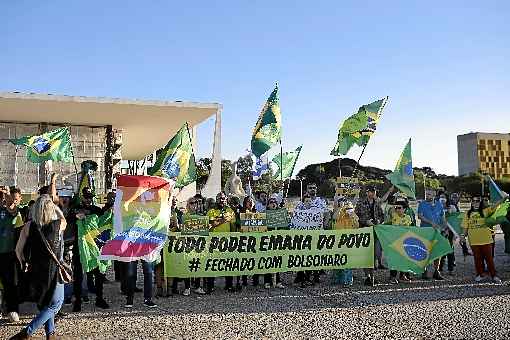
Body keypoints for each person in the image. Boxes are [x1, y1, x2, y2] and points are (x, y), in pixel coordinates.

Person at [10, 195, 67, 340]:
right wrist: (55, 207)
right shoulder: (59, 224)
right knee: (56, 304)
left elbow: (18, 250)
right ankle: (26, 333)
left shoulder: (28, 226)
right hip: (54, 271)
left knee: (45, 303)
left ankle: (50, 333)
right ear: (51, 208)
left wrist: (24, 263)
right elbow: (64, 218)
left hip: (36, 271)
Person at [73, 187, 109, 311]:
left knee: (99, 275)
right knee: (78, 275)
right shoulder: (75, 209)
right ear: (81, 197)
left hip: (95, 247)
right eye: (86, 197)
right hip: (80, 247)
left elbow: (104, 222)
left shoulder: (96, 210)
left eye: (90, 197)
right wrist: (77, 216)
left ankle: (99, 298)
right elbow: (70, 220)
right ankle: (77, 301)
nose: (88, 199)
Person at [461, 195, 507, 284]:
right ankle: (480, 274)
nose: (475, 203)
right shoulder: (467, 214)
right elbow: (465, 227)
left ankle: (494, 275)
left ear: (480, 202)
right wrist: (462, 236)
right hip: (474, 241)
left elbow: (495, 206)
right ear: (471, 203)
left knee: (489, 259)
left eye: (477, 201)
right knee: (477, 259)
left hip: (486, 240)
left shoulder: (485, 211)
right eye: (473, 201)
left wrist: (503, 199)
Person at [0, 187, 24, 323]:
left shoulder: (11, 211)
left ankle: (12, 310)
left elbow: (12, 209)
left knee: (10, 284)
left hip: (8, 253)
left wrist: (8, 195)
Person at [206, 192, 236, 293]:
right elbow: (210, 224)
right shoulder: (211, 211)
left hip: (227, 241)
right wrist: (223, 219)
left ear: (226, 199)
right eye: (219, 198)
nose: (221, 200)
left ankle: (229, 285)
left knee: (228, 263)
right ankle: (210, 286)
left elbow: (233, 226)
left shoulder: (230, 211)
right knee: (212, 263)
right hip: (214, 242)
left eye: (223, 198)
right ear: (216, 199)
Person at [355, 185, 385, 286]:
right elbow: (356, 217)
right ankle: (368, 276)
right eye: (370, 191)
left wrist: (379, 221)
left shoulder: (377, 204)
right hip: (364, 231)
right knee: (366, 255)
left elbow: (382, 216)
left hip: (375, 231)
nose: (371, 193)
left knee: (375, 254)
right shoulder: (360, 203)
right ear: (366, 192)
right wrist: (366, 221)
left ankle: (372, 275)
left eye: (373, 191)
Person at [417, 188, 445, 280]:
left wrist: (444, 228)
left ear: (434, 195)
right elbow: (420, 216)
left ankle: (436, 271)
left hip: (437, 232)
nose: (427, 196)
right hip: (425, 231)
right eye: (427, 194)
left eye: (429, 194)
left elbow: (442, 217)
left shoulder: (439, 204)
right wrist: (430, 222)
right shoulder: (422, 204)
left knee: (437, 252)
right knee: (425, 251)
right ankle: (424, 271)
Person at [385, 198, 414, 283]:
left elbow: (410, 228)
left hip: (404, 241)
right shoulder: (393, 215)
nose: (397, 209)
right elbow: (389, 210)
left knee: (404, 258)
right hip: (395, 241)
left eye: (399, 208)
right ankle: (392, 277)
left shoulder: (408, 217)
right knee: (394, 258)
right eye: (396, 207)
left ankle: (402, 275)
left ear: (404, 209)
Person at [332, 199, 358, 285]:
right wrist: (340, 207)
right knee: (337, 260)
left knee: (348, 261)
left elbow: (357, 226)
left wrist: (352, 216)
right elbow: (334, 217)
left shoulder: (353, 214)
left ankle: (347, 280)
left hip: (348, 241)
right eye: (346, 208)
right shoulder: (339, 213)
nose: (348, 209)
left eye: (349, 208)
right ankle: (336, 279)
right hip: (338, 240)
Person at [263, 195, 285, 290]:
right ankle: (267, 281)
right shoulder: (264, 215)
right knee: (267, 261)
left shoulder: (280, 214)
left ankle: (278, 281)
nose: (273, 204)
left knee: (277, 261)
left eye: (274, 202)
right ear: (268, 205)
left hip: (277, 241)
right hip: (267, 241)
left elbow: (285, 227)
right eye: (271, 202)